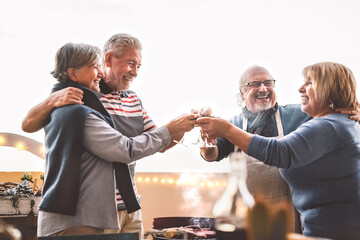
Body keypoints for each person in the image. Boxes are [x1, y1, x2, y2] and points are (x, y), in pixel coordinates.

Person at [22, 34, 191, 237]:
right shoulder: (78, 101)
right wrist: (52, 99)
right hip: (96, 212)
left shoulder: (132, 100)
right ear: (109, 59)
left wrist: (186, 125)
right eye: (131, 63)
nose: (135, 72)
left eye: (139, 66)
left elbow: (159, 142)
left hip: (129, 205)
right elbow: (125, 149)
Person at [197, 62, 360, 240]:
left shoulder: (305, 117)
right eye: (254, 84)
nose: (263, 88)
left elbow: (281, 152)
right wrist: (208, 140)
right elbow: (212, 154)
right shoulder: (235, 122)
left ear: (329, 89)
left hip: (318, 226)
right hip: (257, 213)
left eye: (268, 83)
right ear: (242, 92)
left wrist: (226, 129)